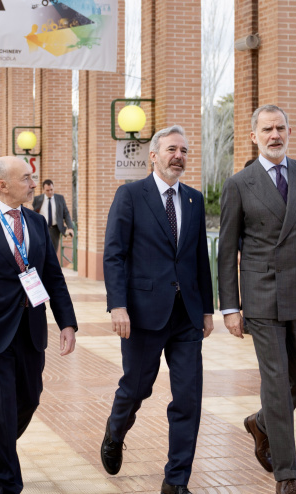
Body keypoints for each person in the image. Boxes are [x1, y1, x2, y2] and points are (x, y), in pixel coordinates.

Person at [217, 104, 296, 494]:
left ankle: (260, 421)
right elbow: (225, 250)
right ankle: (286, 476)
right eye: (267, 129)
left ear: (289, 132)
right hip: (262, 296)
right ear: (254, 136)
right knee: (275, 382)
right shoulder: (240, 183)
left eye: (281, 128)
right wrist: (230, 306)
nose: (275, 135)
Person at [100, 125, 214, 494]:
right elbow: (114, 254)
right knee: (136, 388)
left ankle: (176, 480)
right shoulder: (131, 195)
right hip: (143, 314)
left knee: (188, 397)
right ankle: (116, 432)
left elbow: (200, 259)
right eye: (171, 149)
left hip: (186, 317)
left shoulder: (194, 200)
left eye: (183, 150)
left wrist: (207, 310)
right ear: (154, 155)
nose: (178, 156)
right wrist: (118, 305)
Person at [0, 156, 77, 494]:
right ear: (3, 185)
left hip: (31, 329)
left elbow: (53, 277)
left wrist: (67, 323)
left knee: (30, 397)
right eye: (26, 178)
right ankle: (9, 483)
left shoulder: (38, 223)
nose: (32, 183)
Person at [32, 179, 74, 254]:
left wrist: (70, 227)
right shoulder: (37, 199)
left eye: (51, 189)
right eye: (47, 190)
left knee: (53, 253)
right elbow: (33, 214)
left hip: (54, 230)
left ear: (53, 188)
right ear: (43, 190)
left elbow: (66, 214)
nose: (50, 192)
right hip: (41, 228)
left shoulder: (60, 198)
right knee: (41, 251)